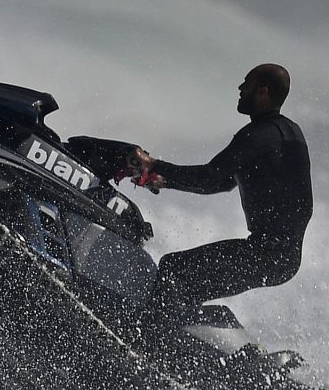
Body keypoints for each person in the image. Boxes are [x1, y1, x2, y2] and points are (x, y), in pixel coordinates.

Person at [131, 63, 311, 328]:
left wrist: (153, 164)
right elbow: (223, 182)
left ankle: (145, 343)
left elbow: (209, 175)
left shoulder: (260, 135)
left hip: (266, 253)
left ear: (262, 92)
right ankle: (196, 349)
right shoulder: (289, 133)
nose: (240, 89)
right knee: (185, 290)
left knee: (173, 269)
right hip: (282, 257)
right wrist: (165, 181)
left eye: (246, 83)